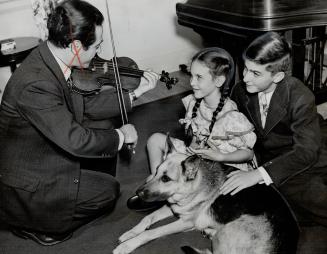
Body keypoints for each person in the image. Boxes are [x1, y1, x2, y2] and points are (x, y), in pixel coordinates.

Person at [0, 0, 159, 246]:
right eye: (96, 45)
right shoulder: (36, 84)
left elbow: (87, 106)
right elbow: (75, 140)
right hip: (30, 184)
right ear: (75, 46)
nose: (98, 52)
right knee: (109, 192)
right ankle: (37, 225)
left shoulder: (52, 59)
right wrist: (121, 136)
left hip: (42, 154)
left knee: (105, 133)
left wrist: (135, 94)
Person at [128, 47, 257, 211]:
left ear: (218, 81)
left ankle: (168, 188)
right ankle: (158, 181)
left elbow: (249, 154)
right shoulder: (195, 102)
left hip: (221, 164)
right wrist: (193, 147)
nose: (192, 82)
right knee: (155, 139)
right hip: (197, 156)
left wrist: (220, 156)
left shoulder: (231, 117)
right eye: (191, 75)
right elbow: (195, 137)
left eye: (199, 77)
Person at [224, 31, 327, 226]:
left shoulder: (300, 96)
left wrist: (258, 174)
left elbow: (306, 151)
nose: (245, 78)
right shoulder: (240, 91)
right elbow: (234, 123)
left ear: (278, 76)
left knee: (308, 197)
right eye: (245, 69)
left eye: (255, 73)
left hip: (308, 150)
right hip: (275, 155)